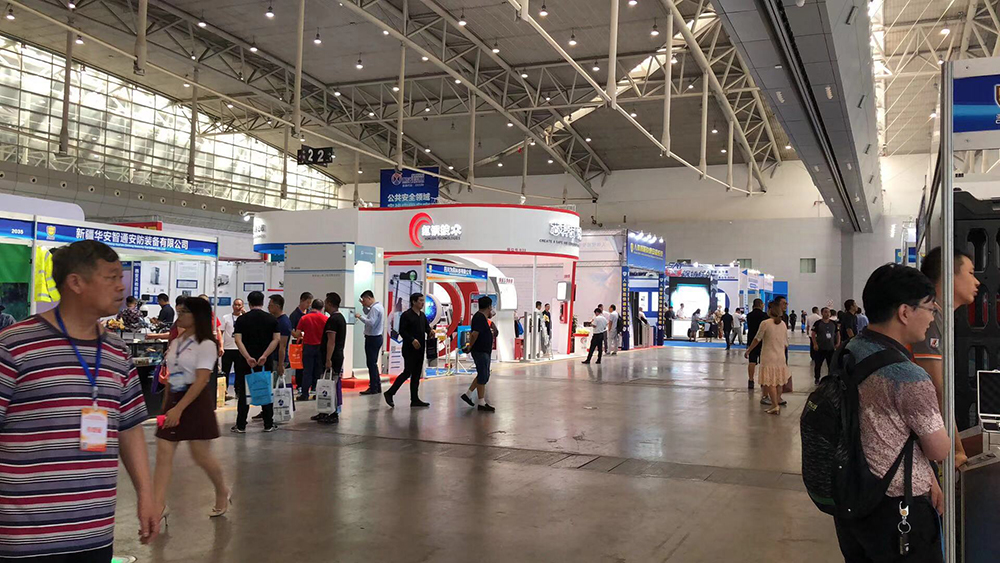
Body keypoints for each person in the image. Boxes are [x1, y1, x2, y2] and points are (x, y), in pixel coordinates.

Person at [0, 240, 159, 559]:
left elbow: (129, 429)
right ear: (75, 282)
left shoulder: (117, 353)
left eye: (120, 277)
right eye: (111, 277)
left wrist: (146, 494)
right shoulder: (15, 346)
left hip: (94, 532)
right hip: (23, 536)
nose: (121, 286)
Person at [833, 263, 949, 563]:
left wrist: (929, 477)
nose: (932, 317)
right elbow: (939, 449)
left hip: (852, 500)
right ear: (905, 312)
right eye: (929, 308)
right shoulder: (908, 375)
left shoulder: (849, 350)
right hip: (899, 511)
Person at [153, 297, 230, 523]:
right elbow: (171, 374)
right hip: (174, 397)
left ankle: (222, 490)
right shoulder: (177, 341)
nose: (179, 316)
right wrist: (167, 405)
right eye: (179, 311)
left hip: (194, 401)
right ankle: (158, 505)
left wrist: (179, 409)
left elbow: (201, 380)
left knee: (200, 455)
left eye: (184, 312)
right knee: (163, 452)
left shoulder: (206, 344)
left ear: (197, 316)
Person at [916, 246, 981, 469]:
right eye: (970, 273)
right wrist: (957, 451)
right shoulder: (930, 319)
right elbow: (937, 389)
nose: (977, 282)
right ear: (948, 274)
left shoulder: (940, 318)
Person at [231, 291, 280, 433]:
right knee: (266, 390)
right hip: (265, 362)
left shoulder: (242, 320)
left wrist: (248, 357)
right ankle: (268, 424)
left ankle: (241, 425)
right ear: (263, 302)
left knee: (243, 392)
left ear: (249, 302)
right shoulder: (271, 319)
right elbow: (276, 339)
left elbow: (238, 340)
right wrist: (264, 355)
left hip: (246, 362)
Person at [384, 293, 432, 408]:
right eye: (420, 300)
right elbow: (402, 331)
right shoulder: (406, 315)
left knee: (416, 374)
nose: (422, 303)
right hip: (409, 349)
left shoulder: (422, 315)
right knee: (407, 372)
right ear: (414, 302)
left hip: (420, 348)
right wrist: (412, 340)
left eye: (423, 300)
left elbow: (426, 328)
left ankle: (414, 399)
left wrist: (431, 331)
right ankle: (390, 393)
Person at [744, 301, 789, 414]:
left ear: (770, 310)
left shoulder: (765, 323)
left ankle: (774, 405)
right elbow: (785, 343)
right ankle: (776, 402)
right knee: (778, 381)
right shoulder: (783, 324)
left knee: (770, 382)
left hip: (768, 355)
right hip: (780, 356)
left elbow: (757, 338)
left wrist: (749, 350)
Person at [461, 295, 496, 412]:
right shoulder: (479, 318)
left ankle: (468, 394)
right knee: (483, 375)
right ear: (489, 306)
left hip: (484, 350)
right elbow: (474, 334)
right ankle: (481, 402)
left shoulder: (481, 317)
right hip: (480, 351)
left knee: (483, 374)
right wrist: (470, 346)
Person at [316, 292, 347, 424]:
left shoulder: (333, 320)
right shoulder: (340, 318)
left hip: (333, 357)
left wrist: (328, 359)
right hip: (337, 355)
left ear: (329, 303)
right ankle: (324, 410)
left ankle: (333, 412)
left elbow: (331, 341)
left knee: (331, 385)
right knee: (327, 384)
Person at [293, 299, 327, 401]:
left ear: (312, 306)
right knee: (319, 371)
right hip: (320, 347)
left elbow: (297, 334)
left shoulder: (304, 318)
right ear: (322, 307)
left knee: (307, 371)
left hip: (308, 347)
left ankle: (305, 394)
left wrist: (291, 331)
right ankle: (317, 392)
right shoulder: (325, 319)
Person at [355, 290, 385, 395]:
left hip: (372, 339)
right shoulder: (378, 307)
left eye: (364, 300)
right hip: (376, 338)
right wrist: (364, 306)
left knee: (371, 364)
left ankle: (373, 387)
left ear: (369, 298)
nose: (364, 302)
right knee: (373, 363)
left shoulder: (375, 308)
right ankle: (376, 386)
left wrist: (359, 317)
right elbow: (368, 313)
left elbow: (371, 322)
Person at [220, 298, 245, 399]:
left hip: (240, 349)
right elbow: (221, 333)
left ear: (242, 306)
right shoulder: (226, 318)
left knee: (239, 372)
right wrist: (221, 346)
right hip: (228, 348)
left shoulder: (244, 318)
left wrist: (245, 314)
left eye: (239, 305)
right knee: (225, 371)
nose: (237, 307)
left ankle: (238, 392)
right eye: (235, 305)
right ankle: (224, 392)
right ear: (232, 306)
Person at [268, 294, 293, 383]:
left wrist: (280, 364)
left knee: (277, 385)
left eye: (270, 305)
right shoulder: (274, 319)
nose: (268, 307)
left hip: (278, 359)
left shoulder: (283, 322)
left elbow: (282, 346)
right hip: (273, 357)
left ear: (277, 306)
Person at [810, 307, 839, 384]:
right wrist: (815, 344)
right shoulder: (818, 323)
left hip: (831, 348)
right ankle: (817, 378)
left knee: (831, 365)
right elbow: (813, 334)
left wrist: (838, 343)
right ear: (822, 313)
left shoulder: (834, 323)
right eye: (825, 312)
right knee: (818, 364)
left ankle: (831, 378)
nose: (827, 314)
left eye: (829, 312)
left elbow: (837, 333)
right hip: (820, 348)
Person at [744, 299, 767, 390]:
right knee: (763, 362)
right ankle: (763, 381)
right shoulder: (765, 315)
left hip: (751, 340)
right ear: (760, 304)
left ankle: (751, 380)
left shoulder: (749, 315)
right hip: (762, 340)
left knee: (752, 361)